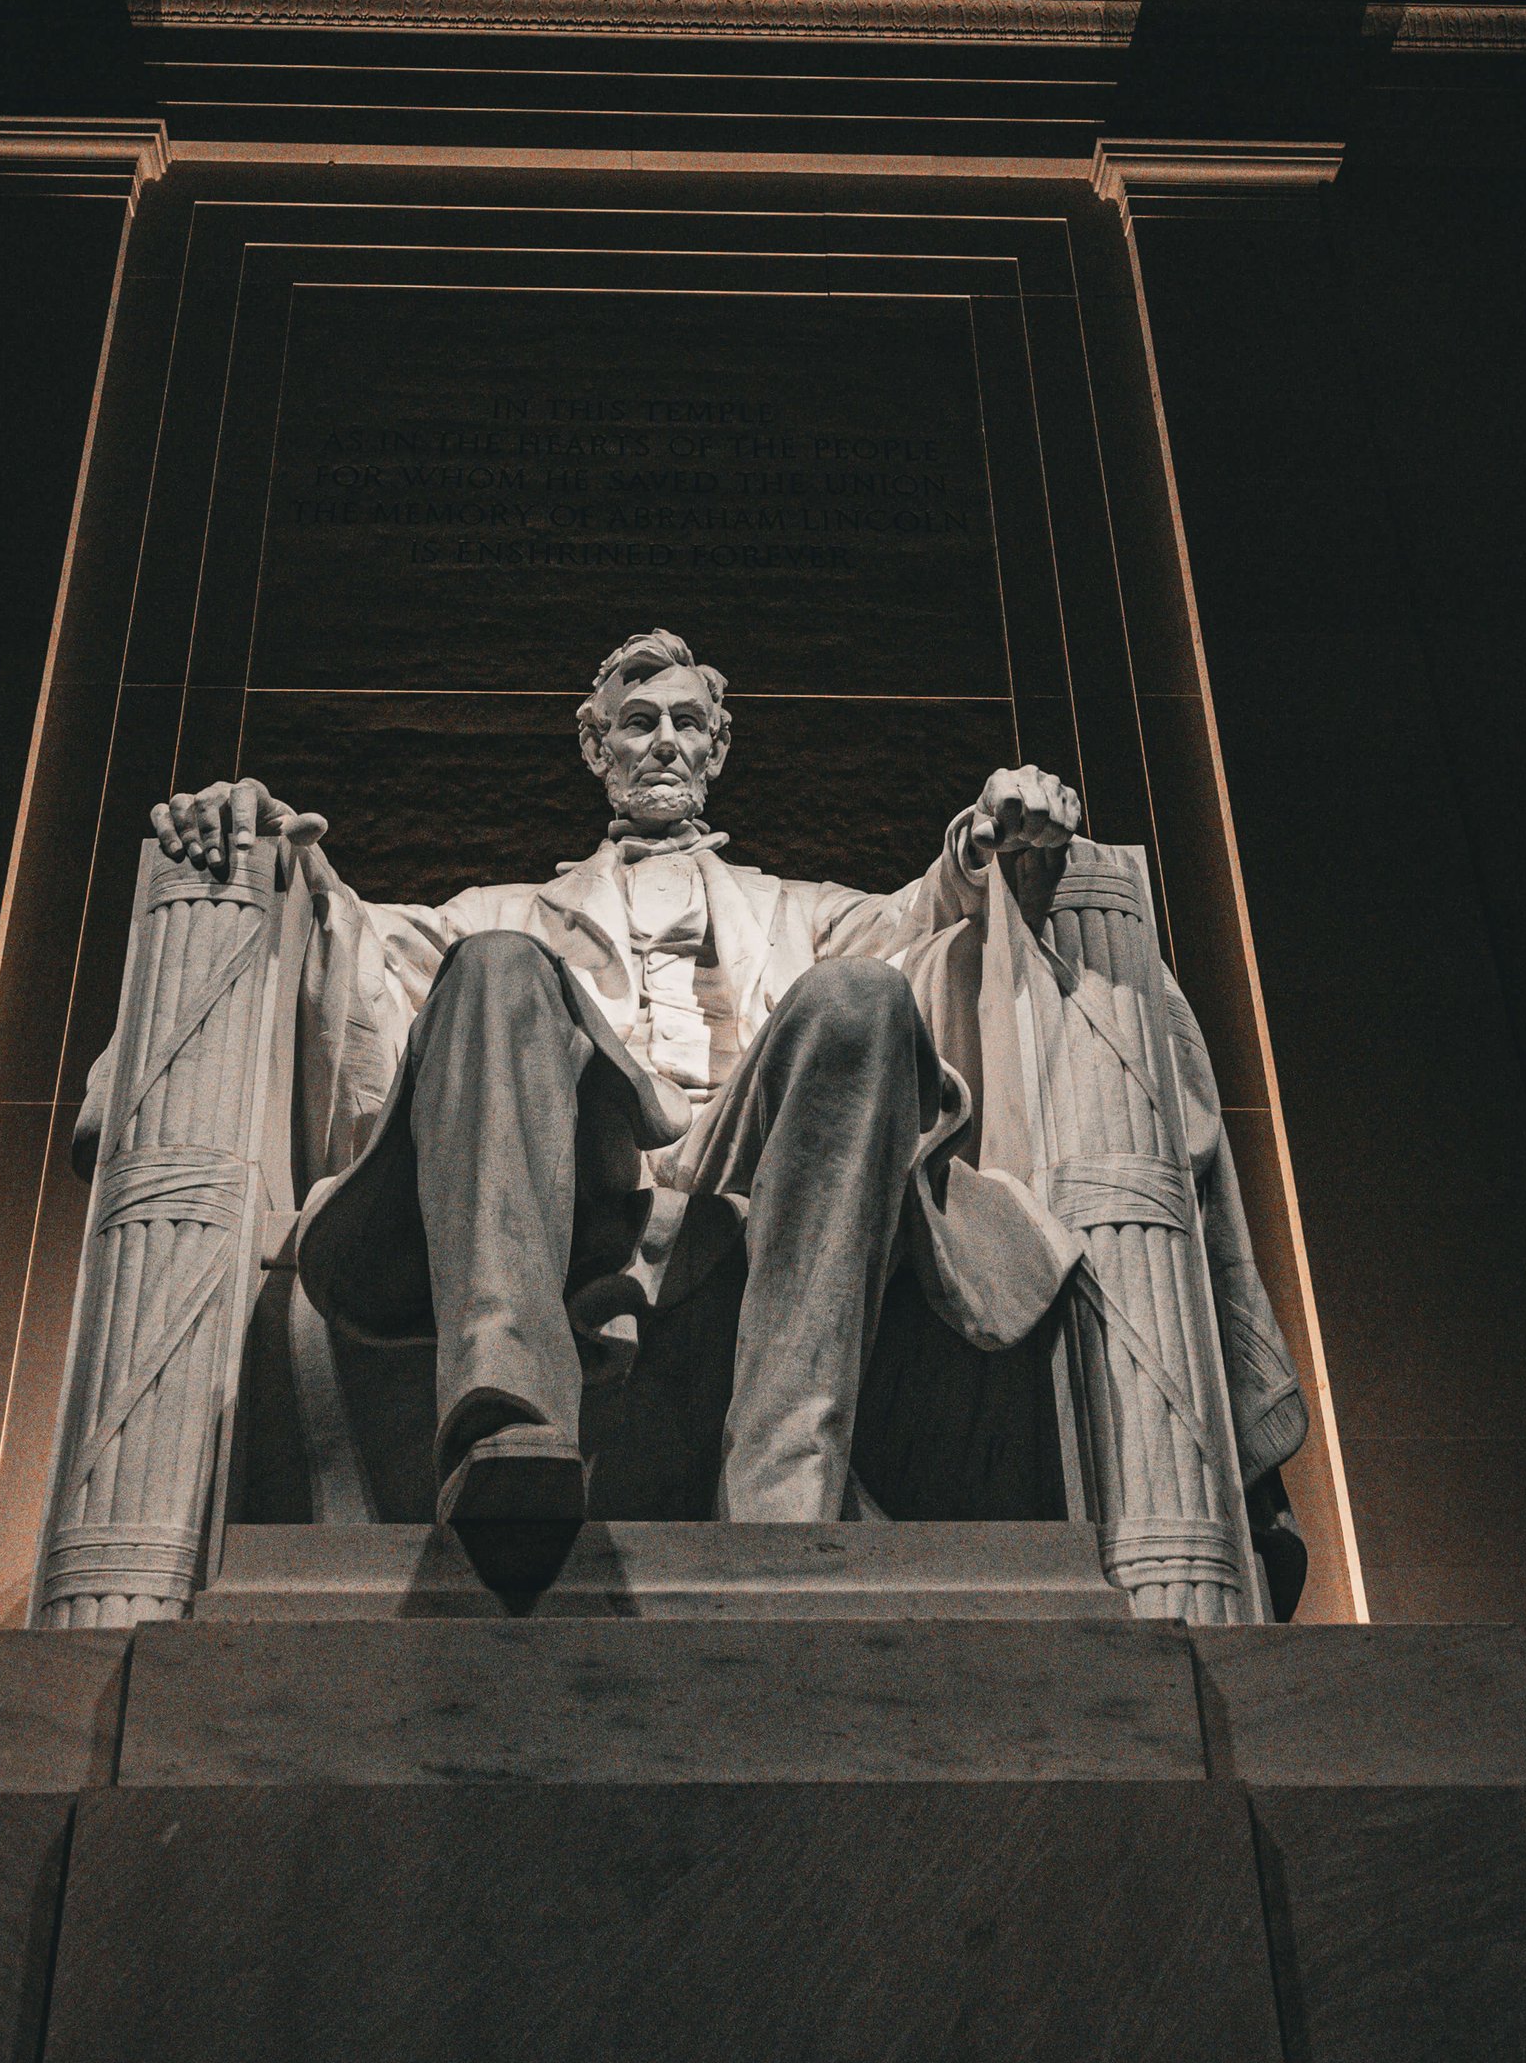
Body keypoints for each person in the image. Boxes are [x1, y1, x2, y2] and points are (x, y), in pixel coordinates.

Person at [139, 627, 1081, 1530]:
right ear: (598, 749)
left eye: (687, 723)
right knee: (499, 961)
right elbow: (353, 944)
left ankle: (785, 1484)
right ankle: (506, 1421)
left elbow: (929, 915)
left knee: (861, 997)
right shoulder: (506, 908)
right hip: (586, 1159)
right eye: (638, 722)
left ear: (716, 749)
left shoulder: (801, 910)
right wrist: (270, 852)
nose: (664, 742)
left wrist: (989, 835)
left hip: (750, 1153)